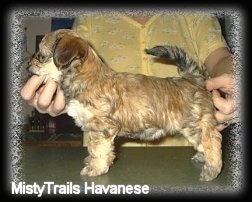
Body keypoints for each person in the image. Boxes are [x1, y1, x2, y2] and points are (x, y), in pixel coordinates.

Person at [21, 12, 238, 133]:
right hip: (105, 153)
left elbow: (220, 58)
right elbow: (74, 74)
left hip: (189, 146)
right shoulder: (88, 18)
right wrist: (64, 99)